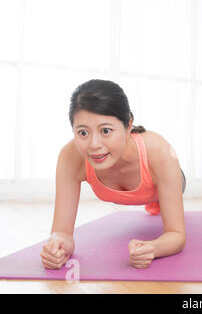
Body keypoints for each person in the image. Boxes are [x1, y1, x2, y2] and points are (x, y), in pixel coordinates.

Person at [40, 79, 186, 270]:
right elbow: (61, 231)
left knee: (171, 190)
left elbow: (176, 234)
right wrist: (57, 247)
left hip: (160, 184)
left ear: (128, 126)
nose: (94, 145)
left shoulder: (160, 151)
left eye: (106, 131)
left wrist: (153, 248)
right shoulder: (70, 157)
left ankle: (157, 201)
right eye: (83, 132)